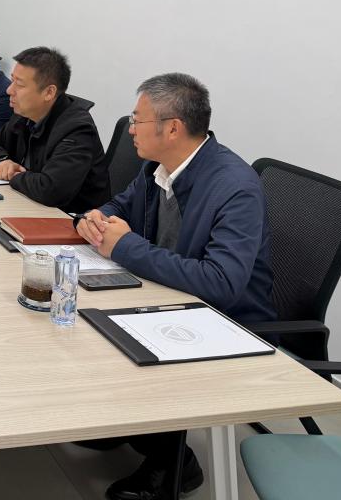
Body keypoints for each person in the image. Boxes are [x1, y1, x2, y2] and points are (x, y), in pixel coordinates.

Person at [75, 73, 276, 500]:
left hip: (227, 318)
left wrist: (125, 246)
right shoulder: (159, 167)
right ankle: (129, 425)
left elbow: (222, 283)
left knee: (106, 331)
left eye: (137, 120)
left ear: (172, 129)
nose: (130, 129)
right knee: (80, 319)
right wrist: (94, 218)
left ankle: (174, 464)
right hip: (169, 293)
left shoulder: (235, 187)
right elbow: (120, 205)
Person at [0, 46, 109, 213]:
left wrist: (14, 176)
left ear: (49, 92)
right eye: (12, 80)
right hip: (29, 206)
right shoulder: (25, 115)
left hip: (70, 220)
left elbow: (51, 190)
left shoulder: (77, 129)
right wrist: (2, 161)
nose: (9, 90)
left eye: (19, 84)